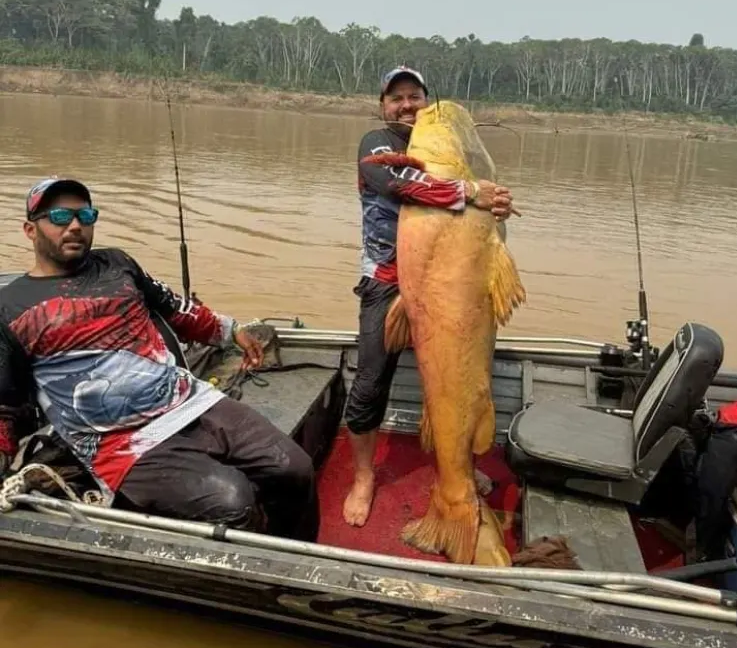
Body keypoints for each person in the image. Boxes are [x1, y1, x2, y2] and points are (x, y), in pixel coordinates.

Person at [0, 177, 318, 541]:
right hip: (119, 444)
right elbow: (5, 408)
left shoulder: (117, 264)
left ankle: (298, 557)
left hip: (190, 402)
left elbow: (177, 310)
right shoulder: (9, 308)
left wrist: (230, 331)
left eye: (85, 215)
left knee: (295, 468)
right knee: (234, 501)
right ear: (29, 229)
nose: (75, 225)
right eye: (58, 216)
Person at [343, 67, 516, 526]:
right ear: (383, 106)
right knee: (370, 381)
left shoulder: (452, 152)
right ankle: (363, 477)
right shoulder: (376, 145)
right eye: (396, 97)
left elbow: (484, 212)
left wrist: (495, 202)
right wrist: (469, 191)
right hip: (388, 281)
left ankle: (460, 470)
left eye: (414, 96)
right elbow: (398, 185)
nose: (406, 105)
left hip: (448, 284)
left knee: (464, 379)